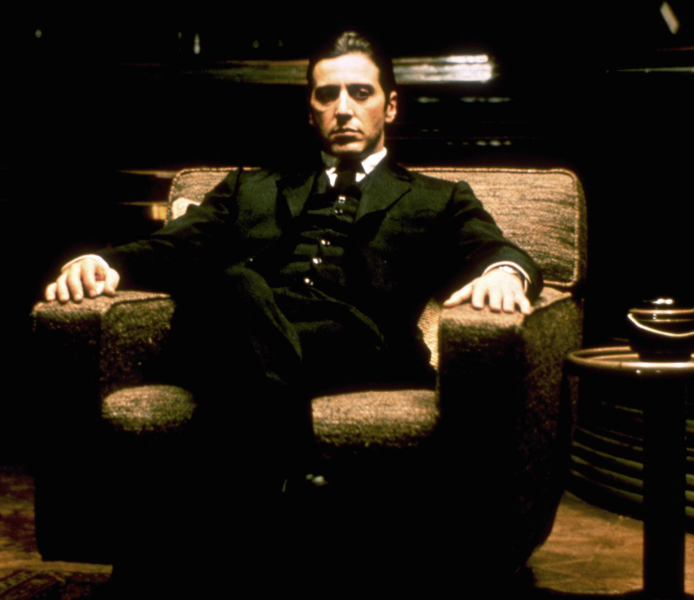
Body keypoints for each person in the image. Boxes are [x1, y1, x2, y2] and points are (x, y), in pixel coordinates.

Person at [44, 30, 543, 590]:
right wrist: (102, 261)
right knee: (234, 286)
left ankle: (177, 563)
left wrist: (504, 272)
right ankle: (301, 483)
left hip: (354, 347)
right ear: (310, 111)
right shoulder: (248, 188)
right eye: (327, 95)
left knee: (233, 314)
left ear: (390, 106)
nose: (343, 108)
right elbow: (173, 246)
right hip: (232, 328)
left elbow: (497, 249)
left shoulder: (438, 197)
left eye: (360, 92)